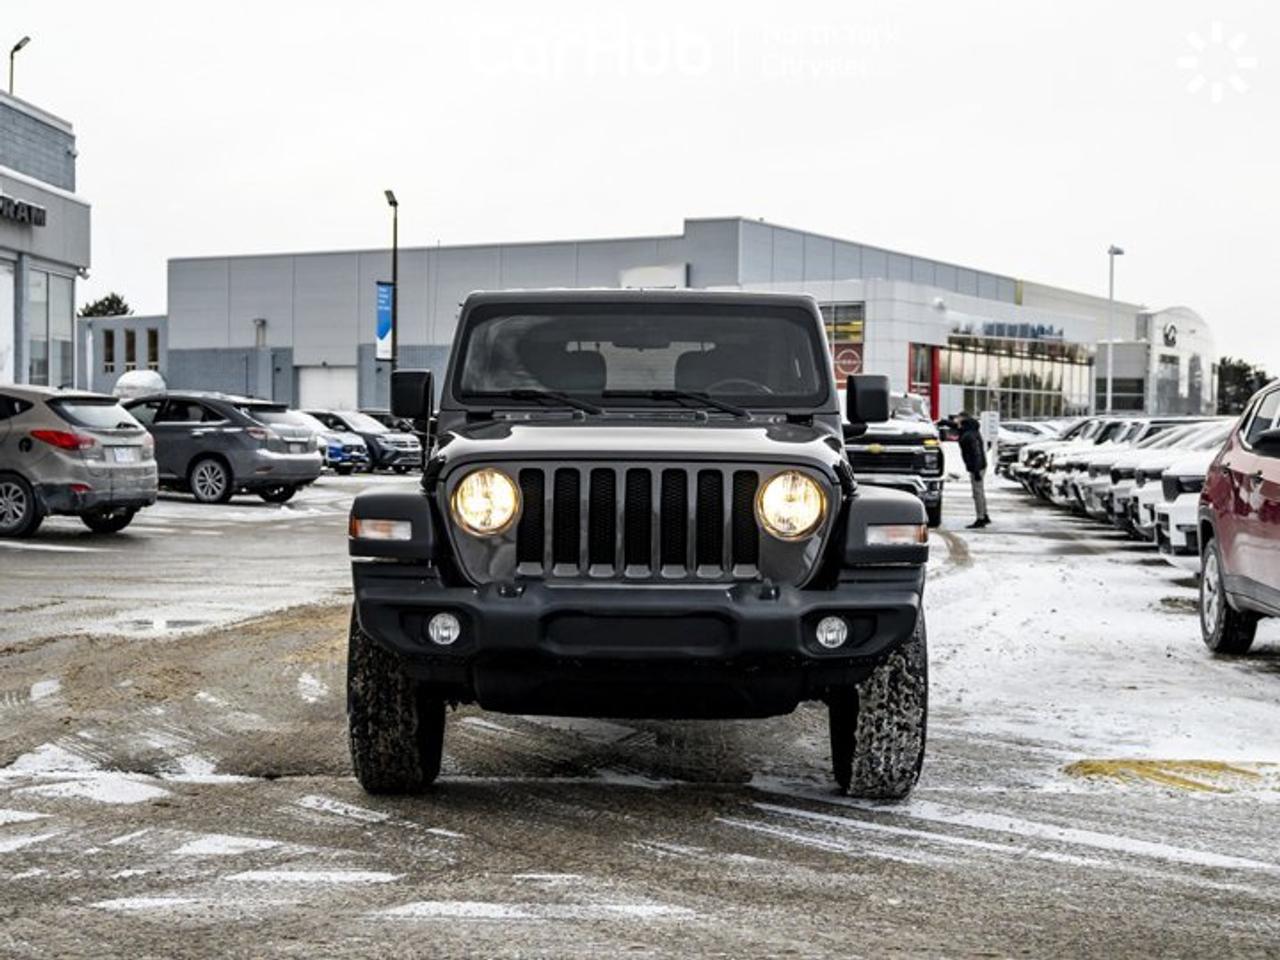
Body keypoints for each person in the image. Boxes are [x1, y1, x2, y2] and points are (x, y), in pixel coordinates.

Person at [955, 412, 991, 529]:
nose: (956, 421)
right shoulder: (970, 430)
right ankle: (984, 515)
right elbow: (955, 427)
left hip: (977, 466)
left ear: (963, 421)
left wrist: (976, 472)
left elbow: (976, 454)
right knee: (979, 491)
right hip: (979, 465)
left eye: (958, 419)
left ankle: (980, 518)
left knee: (977, 493)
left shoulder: (969, 435)